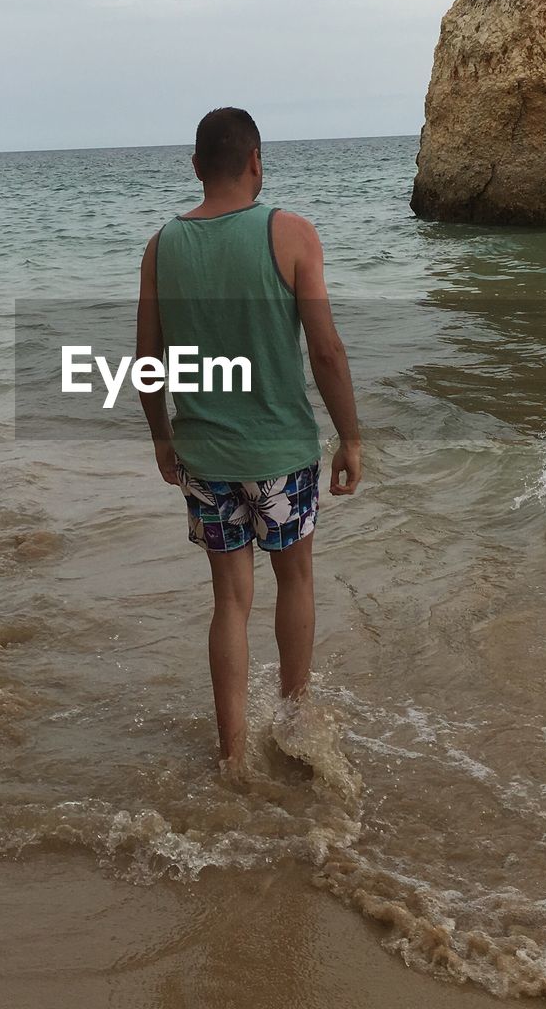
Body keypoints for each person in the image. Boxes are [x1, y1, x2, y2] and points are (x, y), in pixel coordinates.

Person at [136, 106, 361, 775]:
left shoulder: (162, 246)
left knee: (229, 600)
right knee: (295, 581)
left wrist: (161, 440)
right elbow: (324, 349)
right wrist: (350, 436)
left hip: (204, 456)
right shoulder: (290, 234)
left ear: (197, 167)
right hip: (282, 453)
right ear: (257, 162)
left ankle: (233, 753)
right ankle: (294, 717)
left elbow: (148, 360)